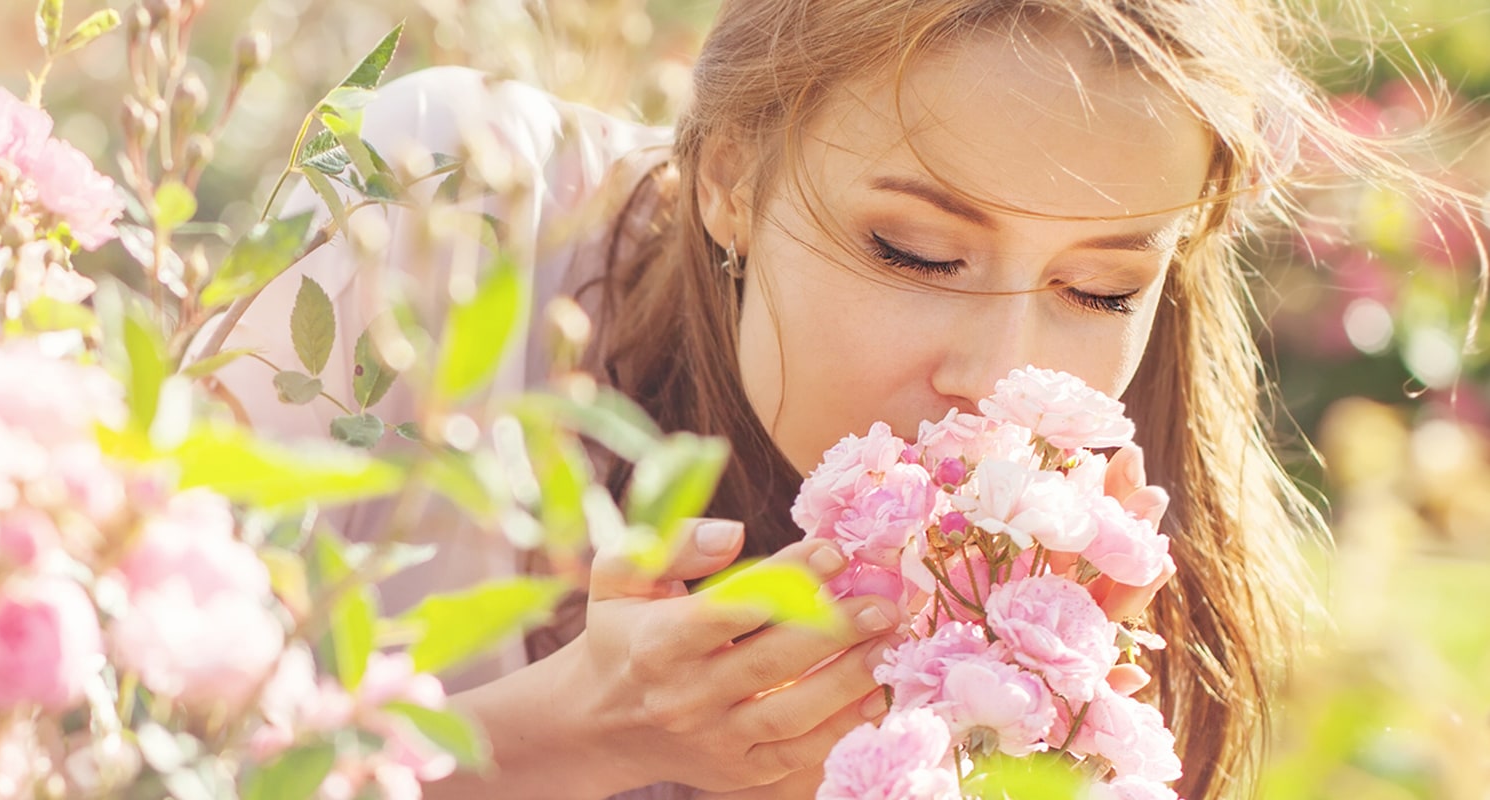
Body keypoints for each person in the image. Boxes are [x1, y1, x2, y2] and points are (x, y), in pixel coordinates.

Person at [215, 0, 1473, 797]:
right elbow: (91, 759)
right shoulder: (450, 205)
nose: (997, 377)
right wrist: (570, 733)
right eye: (915, 254)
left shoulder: (1121, 581)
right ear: (728, 175)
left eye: (1098, 287)